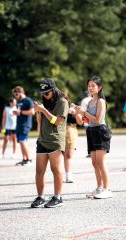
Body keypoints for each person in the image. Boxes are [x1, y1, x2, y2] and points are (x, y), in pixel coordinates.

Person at [31, 78, 69, 208]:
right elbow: (41, 123)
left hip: (55, 140)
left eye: (46, 93)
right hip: (42, 139)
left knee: (56, 169)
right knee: (39, 171)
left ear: (53, 90)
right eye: (42, 93)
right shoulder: (44, 103)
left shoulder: (62, 102)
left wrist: (43, 110)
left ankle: (58, 197)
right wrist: (38, 113)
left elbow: (57, 121)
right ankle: (40, 196)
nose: (44, 95)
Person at [75, 76, 112, 199]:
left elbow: (97, 119)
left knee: (101, 162)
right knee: (94, 162)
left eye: (93, 86)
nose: (90, 88)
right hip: (91, 131)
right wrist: (78, 114)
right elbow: (85, 120)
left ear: (99, 87)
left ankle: (107, 189)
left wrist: (84, 113)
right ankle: (99, 187)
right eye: (89, 86)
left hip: (100, 131)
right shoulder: (90, 101)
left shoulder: (101, 101)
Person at [12, 86, 34, 165]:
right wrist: (16, 112)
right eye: (15, 95)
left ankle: (29, 159)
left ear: (20, 92)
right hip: (19, 124)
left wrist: (20, 112)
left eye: (16, 94)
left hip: (25, 124)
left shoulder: (28, 100)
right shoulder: (19, 101)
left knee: (23, 141)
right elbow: (19, 111)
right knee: (21, 142)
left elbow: (32, 112)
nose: (16, 96)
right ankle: (24, 159)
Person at [64, 103, 83, 183]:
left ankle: (68, 175)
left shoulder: (73, 107)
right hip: (59, 128)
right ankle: (64, 174)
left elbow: (80, 122)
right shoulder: (56, 107)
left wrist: (76, 113)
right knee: (58, 154)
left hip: (71, 129)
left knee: (68, 154)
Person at [81, 91, 92, 158]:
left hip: (87, 121)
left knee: (89, 138)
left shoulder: (83, 100)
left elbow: (82, 111)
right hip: (94, 120)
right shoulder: (93, 99)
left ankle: (90, 152)